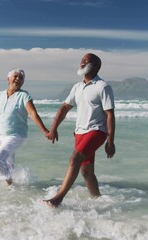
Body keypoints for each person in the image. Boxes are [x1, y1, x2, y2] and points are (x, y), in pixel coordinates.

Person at [44, 53, 116, 207]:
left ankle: (58, 198)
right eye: (82, 60)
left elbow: (110, 114)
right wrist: (53, 128)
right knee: (86, 171)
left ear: (95, 66)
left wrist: (110, 141)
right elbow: (64, 107)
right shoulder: (77, 87)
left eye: (86, 60)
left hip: (97, 131)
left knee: (75, 158)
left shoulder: (103, 87)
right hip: (79, 133)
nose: (82, 62)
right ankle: (98, 200)